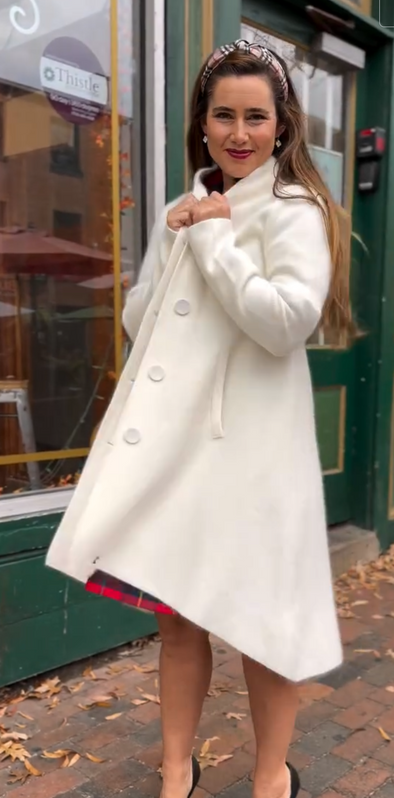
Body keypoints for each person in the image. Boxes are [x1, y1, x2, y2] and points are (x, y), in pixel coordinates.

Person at [46, 39, 352, 798]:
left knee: (262, 625)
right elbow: (141, 319)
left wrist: (213, 240)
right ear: (203, 122)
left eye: (256, 116)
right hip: (182, 451)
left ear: (282, 125)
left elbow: (285, 322)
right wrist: (181, 237)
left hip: (253, 456)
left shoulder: (295, 211)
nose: (239, 132)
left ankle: (270, 779)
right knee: (179, 621)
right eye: (225, 115)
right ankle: (175, 774)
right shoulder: (186, 205)